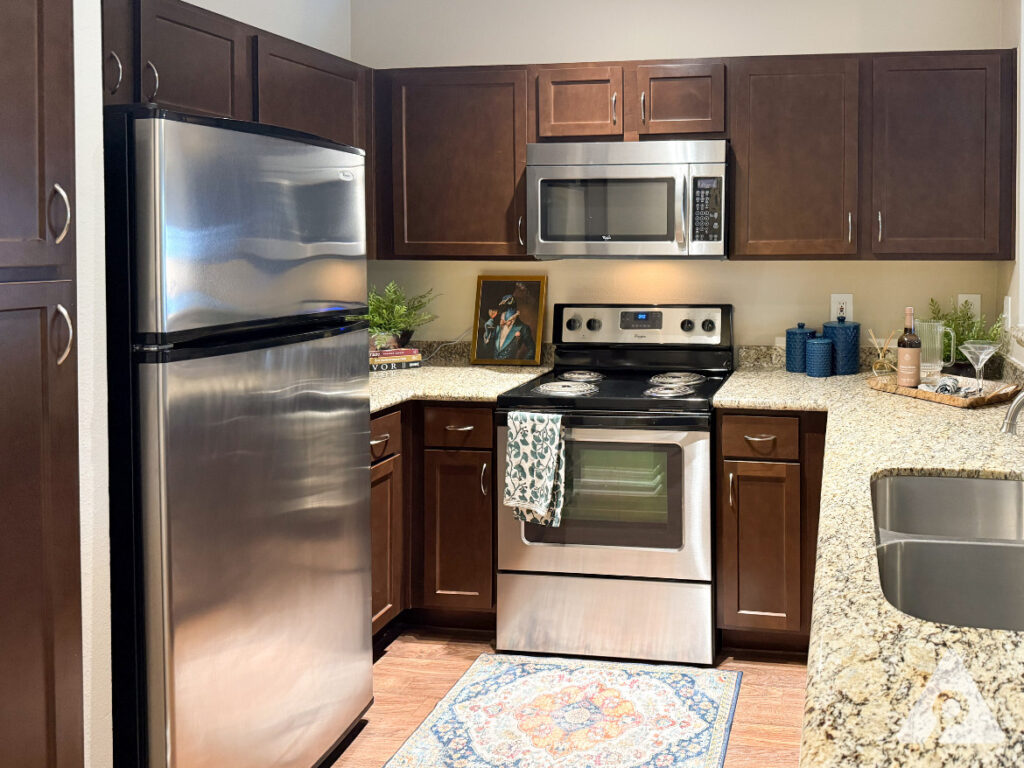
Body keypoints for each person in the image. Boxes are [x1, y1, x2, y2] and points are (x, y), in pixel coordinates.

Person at [481, 294, 535, 361]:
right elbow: (486, 349)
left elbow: (532, 350)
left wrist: (522, 365)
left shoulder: (523, 328)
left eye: (508, 300)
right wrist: (487, 331)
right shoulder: (497, 324)